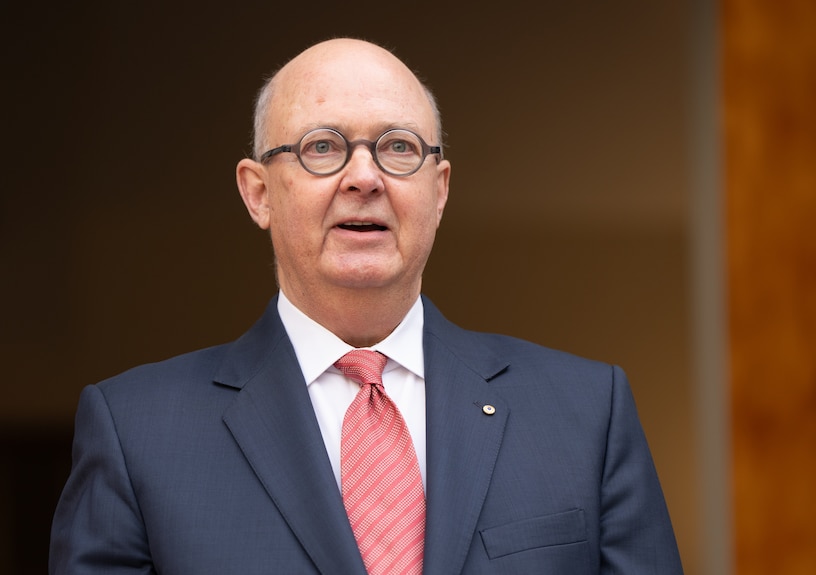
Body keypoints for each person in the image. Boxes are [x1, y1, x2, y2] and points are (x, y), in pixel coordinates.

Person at [49, 38, 683, 574]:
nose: (364, 177)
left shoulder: (586, 414)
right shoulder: (137, 435)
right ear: (258, 192)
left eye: (399, 147)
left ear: (439, 193)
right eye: (322, 147)